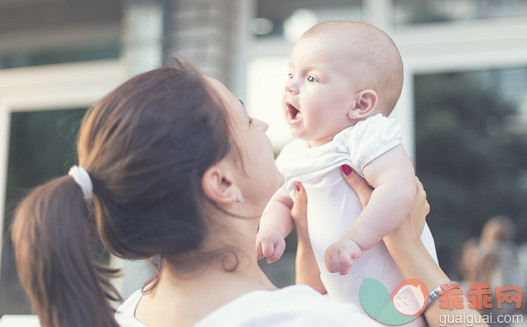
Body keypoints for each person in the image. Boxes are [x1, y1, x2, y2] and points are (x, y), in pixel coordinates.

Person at [11, 59, 485, 327]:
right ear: (222, 183)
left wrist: (308, 272)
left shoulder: (133, 314)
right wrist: (410, 251)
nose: (262, 123)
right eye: (243, 115)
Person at [255, 21, 437, 320]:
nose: (290, 85)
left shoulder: (366, 137)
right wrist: (272, 230)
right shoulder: (296, 153)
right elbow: (281, 200)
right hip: (344, 304)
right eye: (291, 74)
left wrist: (355, 238)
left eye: (311, 78)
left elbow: (398, 188)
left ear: (361, 103)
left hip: (400, 294)